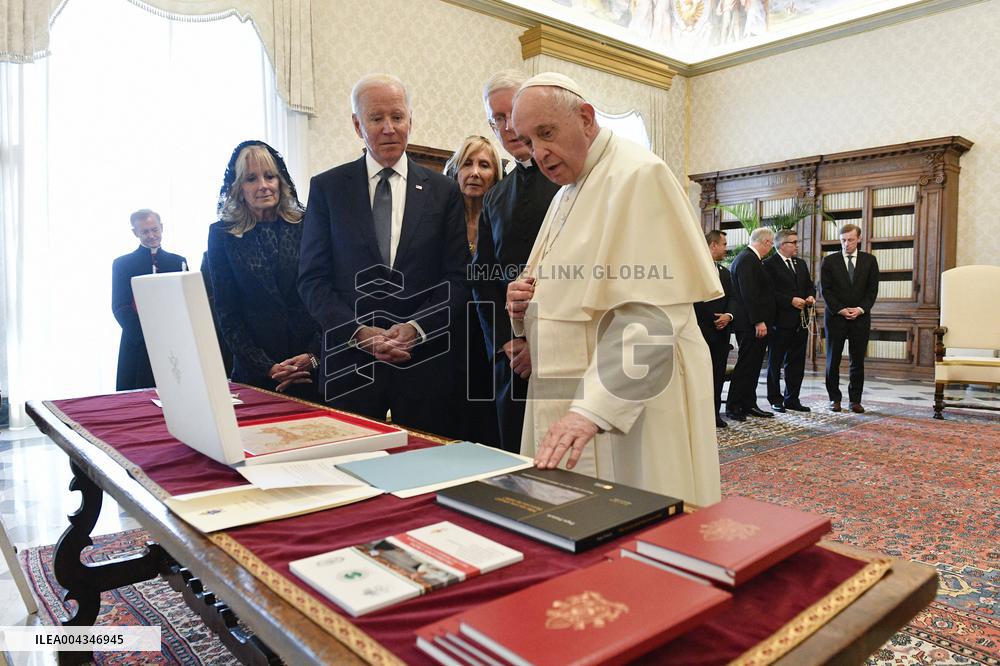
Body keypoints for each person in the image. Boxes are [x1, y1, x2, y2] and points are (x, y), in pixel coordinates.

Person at [505, 72, 722, 506]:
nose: (539, 153)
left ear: (585, 118)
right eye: (529, 141)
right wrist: (523, 311)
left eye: (546, 133)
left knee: (640, 513)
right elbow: (563, 295)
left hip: (637, 404)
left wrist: (592, 410)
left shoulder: (639, 175)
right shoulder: (567, 191)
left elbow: (652, 316)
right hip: (567, 384)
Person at [298, 74, 467, 436]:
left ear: (411, 120)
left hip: (425, 366)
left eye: (397, 117)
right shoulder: (327, 188)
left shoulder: (444, 191)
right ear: (358, 125)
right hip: (350, 367)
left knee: (427, 476)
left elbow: (456, 279)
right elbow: (312, 280)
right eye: (376, 119)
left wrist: (415, 329)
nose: (389, 128)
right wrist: (359, 333)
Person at [471, 69, 561, 453]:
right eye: (497, 120)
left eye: (512, 114)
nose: (507, 127)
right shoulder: (495, 197)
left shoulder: (571, 181)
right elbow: (482, 278)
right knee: (515, 459)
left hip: (564, 350)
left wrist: (539, 343)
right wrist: (509, 341)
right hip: (512, 360)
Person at [208, 140, 321, 399]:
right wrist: (268, 368)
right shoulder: (221, 235)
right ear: (238, 187)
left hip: (312, 370)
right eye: (251, 178)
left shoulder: (308, 224)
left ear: (281, 180)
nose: (263, 186)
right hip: (255, 376)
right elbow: (227, 313)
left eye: (270, 176)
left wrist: (313, 357)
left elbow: (326, 295)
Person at [444, 135, 504, 446]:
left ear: (496, 174)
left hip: (490, 340)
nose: (475, 172)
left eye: (485, 165)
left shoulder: (502, 222)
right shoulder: (440, 220)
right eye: (467, 163)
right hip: (448, 342)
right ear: (455, 171)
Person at [112, 209, 187, 391]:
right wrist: (146, 336)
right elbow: (120, 306)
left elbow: (184, 301)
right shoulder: (122, 264)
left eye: (155, 229)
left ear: (162, 228)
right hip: (138, 341)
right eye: (145, 231)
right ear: (135, 233)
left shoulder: (178, 261)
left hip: (171, 340)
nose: (151, 235)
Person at [820, 223, 879, 413]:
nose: (846, 244)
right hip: (836, 317)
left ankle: (855, 400)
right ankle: (834, 399)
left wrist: (860, 309)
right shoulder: (829, 261)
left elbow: (872, 290)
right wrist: (841, 309)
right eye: (843, 240)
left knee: (857, 360)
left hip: (860, 318)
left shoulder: (870, 261)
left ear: (859, 239)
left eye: (850, 240)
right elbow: (825, 291)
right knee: (833, 360)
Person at [726, 226, 775, 421]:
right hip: (750, 324)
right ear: (766, 242)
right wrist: (758, 321)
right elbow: (749, 295)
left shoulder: (751, 259)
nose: (770, 248)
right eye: (770, 244)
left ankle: (748, 403)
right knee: (746, 366)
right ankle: (734, 406)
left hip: (753, 323)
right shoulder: (747, 259)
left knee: (753, 366)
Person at [763, 228, 815, 413]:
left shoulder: (800, 263)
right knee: (775, 363)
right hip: (780, 322)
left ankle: (792, 398)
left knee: (796, 362)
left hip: (800, 322)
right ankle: (775, 399)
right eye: (794, 242)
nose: (797, 246)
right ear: (782, 244)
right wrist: (790, 300)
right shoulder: (769, 264)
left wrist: (810, 296)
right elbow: (768, 293)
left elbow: (809, 285)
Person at [693, 230, 734, 428]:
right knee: (700, 376)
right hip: (702, 331)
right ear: (713, 245)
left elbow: (733, 299)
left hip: (722, 333)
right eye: (724, 244)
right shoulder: (696, 271)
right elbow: (695, 301)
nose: (727, 248)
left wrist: (728, 316)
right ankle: (699, 416)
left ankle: (715, 414)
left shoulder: (725, 272)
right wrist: (713, 319)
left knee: (717, 374)